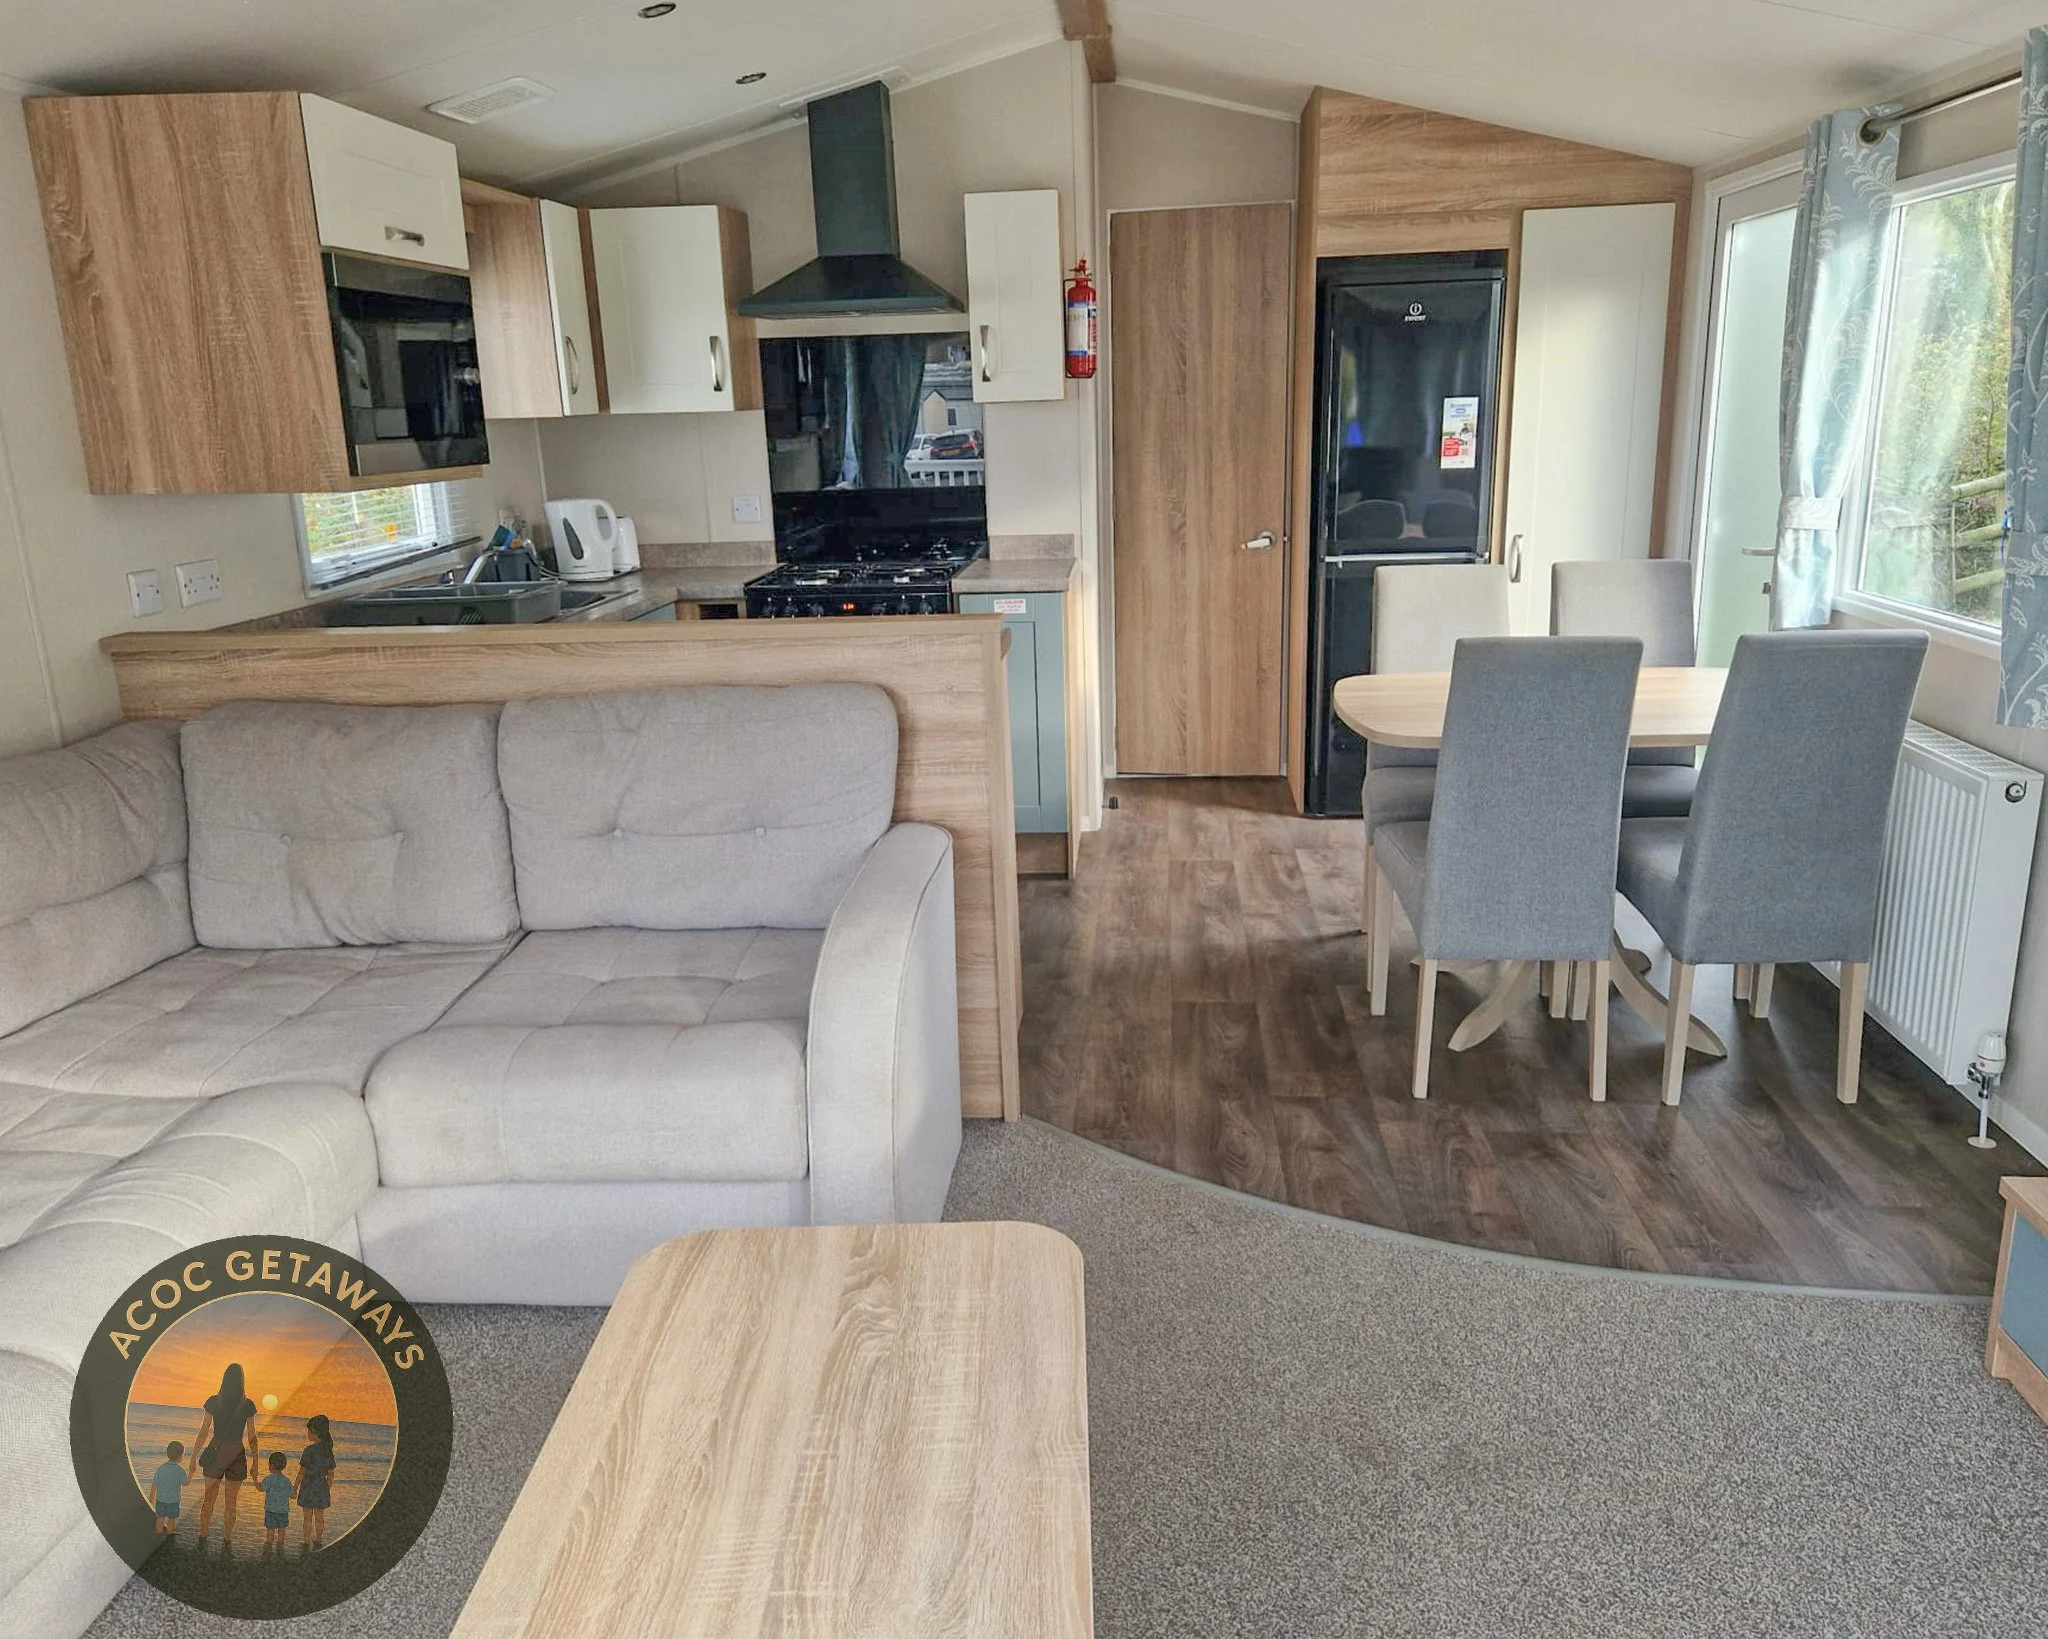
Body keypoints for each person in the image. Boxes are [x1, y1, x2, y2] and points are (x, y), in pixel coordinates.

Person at [187, 1363, 259, 1547]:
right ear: (242, 1380)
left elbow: (203, 1432)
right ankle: (227, 1541)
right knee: (231, 1504)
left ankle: (203, 1537)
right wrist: (256, 1462)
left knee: (208, 1500)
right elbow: (252, 1437)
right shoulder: (247, 1404)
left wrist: (193, 1457)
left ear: (224, 1378)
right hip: (236, 1455)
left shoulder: (214, 1401)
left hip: (216, 1452)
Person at [295, 1414, 336, 1550]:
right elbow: (331, 1473)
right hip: (321, 1486)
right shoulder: (328, 1451)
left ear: (314, 1432)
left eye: (308, 1431)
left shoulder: (309, 1450)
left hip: (308, 1486)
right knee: (319, 1516)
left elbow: (301, 1472)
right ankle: (318, 1539)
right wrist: (327, 1487)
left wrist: (295, 1486)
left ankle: (306, 1541)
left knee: (307, 1516)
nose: (307, 1433)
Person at [257, 1452, 293, 1552]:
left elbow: (260, 1488)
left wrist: (255, 1479)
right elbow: (293, 1495)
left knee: (270, 1529)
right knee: (282, 1530)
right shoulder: (286, 1480)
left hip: (271, 1510)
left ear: (272, 1465)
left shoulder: (269, 1479)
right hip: (283, 1511)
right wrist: (295, 1489)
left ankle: (269, 1545)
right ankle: (280, 1547)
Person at [149, 1440, 186, 1535]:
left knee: (160, 1517)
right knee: (172, 1519)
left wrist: (151, 1498)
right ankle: (170, 1534)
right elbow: (185, 1483)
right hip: (174, 1501)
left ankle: (158, 1532)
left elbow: (154, 1484)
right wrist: (191, 1474)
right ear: (180, 1456)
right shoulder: (180, 1470)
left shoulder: (160, 1468)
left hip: (161, 1499)